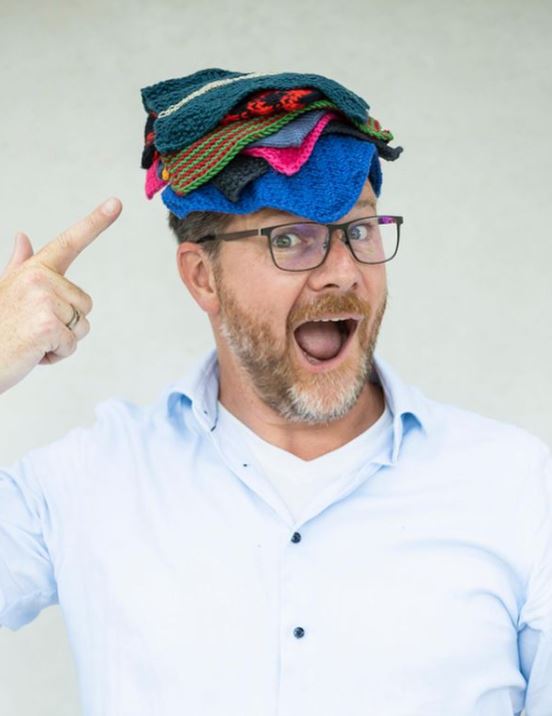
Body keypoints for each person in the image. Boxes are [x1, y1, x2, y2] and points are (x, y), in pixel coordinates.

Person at [0, 68, 550, 716]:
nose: (343, 272)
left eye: (361, 230)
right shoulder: (90, 481)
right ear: (203, 277)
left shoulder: (519, 490)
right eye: (290, 238)